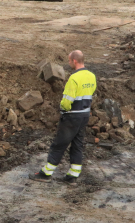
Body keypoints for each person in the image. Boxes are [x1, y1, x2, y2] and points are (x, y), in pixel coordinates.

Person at [29, 50, 97, 183]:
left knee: (59, 144)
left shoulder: (74, 78)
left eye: (69, 60)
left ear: (75, 61)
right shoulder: (91, 76)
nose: (69, 63)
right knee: (77, 144)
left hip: (72, 116)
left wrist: (62, 109)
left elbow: (67, 101)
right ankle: (73, 174)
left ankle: (46, 173)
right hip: (84, 115)